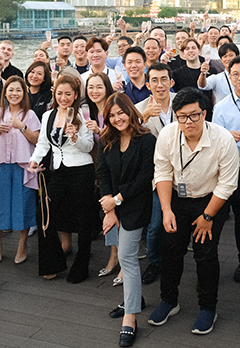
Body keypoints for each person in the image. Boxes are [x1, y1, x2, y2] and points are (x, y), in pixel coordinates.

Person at [148, 88, 239, 335]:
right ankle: (169, 301)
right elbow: (163, 173)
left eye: (194, 115)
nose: (188, 122)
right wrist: (166, 210)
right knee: (171, 250)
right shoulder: (167, 135)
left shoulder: (223, 139)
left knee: (206, 254)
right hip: (177, 199)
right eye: (182, 116)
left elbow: (228, 183)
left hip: (211, 200)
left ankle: (208, 307)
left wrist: (208, 216)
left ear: (205, 113)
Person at [96, 94, 156, 347]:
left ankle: (130, 318)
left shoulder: (147, 140)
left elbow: (145, 178)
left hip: (136, 205)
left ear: (130, 111)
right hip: (112, 206)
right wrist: (109, 207)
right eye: (111, 115)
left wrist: (117, 201)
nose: (117, 118)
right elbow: (101, 172)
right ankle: (135, 298)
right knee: (123, 255)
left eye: (121, 113)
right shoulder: (106, 139)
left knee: (127, 258)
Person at [29, 75, 95, 283]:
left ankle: (81, 265)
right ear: (54, 94)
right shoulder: (48, 115)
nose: (64, 97)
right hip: (58, 171)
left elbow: (89, 146)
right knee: (44, 214)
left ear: (75, 95)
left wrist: (75, 137)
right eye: (60, 93)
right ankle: (53, 262)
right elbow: (43, 143)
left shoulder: (82, 115)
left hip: (81, 170)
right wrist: (34, 160)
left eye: (68, 94)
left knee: (84, 219)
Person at [211, 56, 240, 283]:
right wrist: (226, 136)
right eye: (235, 74)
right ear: (230, 78)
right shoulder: (221, 108)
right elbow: (212, 140)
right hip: (234, 169)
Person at [0, 76, 41, 265]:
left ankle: (22, 243)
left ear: (23, 93)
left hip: (22, 166)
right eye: (11, 90)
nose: (14, 94)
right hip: (1, 164)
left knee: (22, 204)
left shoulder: (30, 115)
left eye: (18, 90)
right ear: (5, 93)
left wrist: (22, 127)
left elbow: (36, 140)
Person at [135, 62, 175, 286]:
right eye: (154, 81)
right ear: (148, 84)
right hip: (155, 175)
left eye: (164, 80)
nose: (160, 85)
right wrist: (142, 117)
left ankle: (174, 259)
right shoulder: (138, 107)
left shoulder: (183, 101)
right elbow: (127, 135)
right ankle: (155, 261)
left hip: (185, 171)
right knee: (156, 224)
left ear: (171, 81)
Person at [83, 71, 119, 276]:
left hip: (117, 169)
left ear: (107, 87)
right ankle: (114, 253)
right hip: (98, 169)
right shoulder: (87, 111)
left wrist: (99, 130)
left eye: (99, 86)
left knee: (116, 212)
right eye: (90, 87)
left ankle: (119, 256)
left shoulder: (114, 109)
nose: (94, 91)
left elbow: (121, 139)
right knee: (107, 212)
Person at [172, 39, 214, 116]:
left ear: (199, 51)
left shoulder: (211, 70)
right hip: (187, 116)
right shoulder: (176, 74)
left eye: (193, 48)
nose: (191, 51)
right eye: (187, 49)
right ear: (183, 53)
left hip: (208, 114)